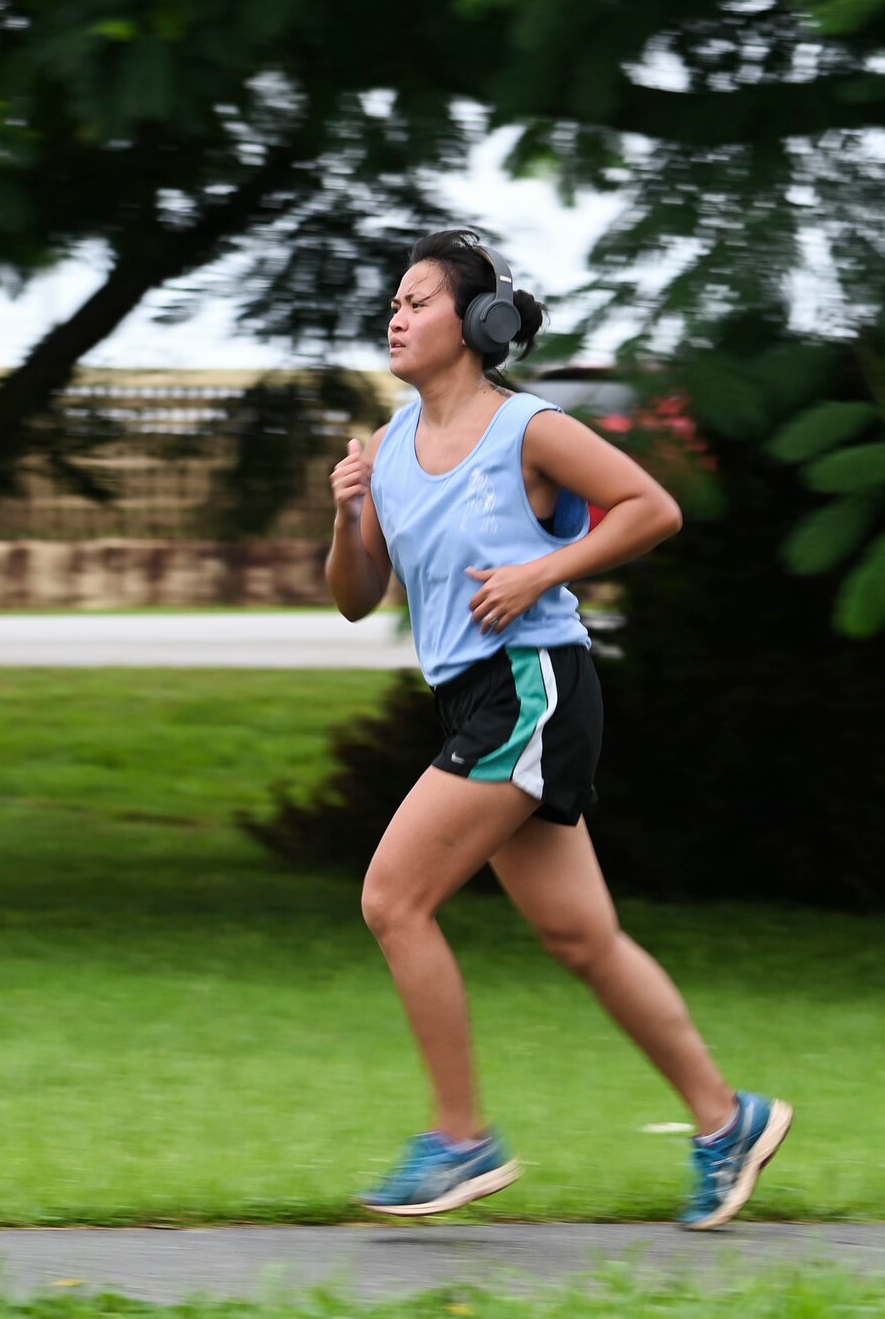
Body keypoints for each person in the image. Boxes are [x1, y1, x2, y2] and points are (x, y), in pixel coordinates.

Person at [325, 228, 791, 1230]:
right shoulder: (392, 448)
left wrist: (542, 570)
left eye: (416, 302)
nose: (395, 318)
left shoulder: (525, 428)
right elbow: (357, 597)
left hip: (530, 685)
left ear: (476, 321)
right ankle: (728, 1120)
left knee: (393, 898)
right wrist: (344, 515)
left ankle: (460, 1139)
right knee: (580, 935)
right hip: (474, 697)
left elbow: (650, 507)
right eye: (393, 304)